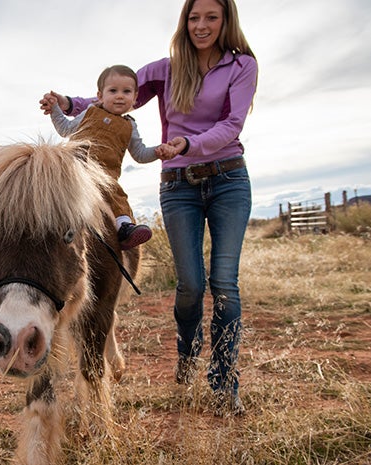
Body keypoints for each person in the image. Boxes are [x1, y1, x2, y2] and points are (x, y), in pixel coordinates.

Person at [40, 0, 257, 416]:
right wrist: (66, 102)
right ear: (184, 22)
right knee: (191, 285)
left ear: (226, 20)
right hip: (178, 185)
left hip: (229, 177)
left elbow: (233, 124)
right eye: (193, 17)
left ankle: (224, 381)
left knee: (225, 284)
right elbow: (114, 94)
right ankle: (188, 359)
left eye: (211, 16)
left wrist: (188, 144)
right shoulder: (166, 68)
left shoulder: (241, 65)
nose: (201, 25)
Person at [45, 64, 154, 250]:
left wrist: (159, 151)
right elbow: (65, 128)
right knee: (52, 189)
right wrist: (54, 109)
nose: (120, 95)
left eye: (126, 91)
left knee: (116, 194)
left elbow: (140, 154)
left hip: (105, 176)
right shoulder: (90, 112)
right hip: (76, 167)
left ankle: (125, 228)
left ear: (135, 98)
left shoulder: (130, 126)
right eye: (113, 91)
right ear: (100, 95)